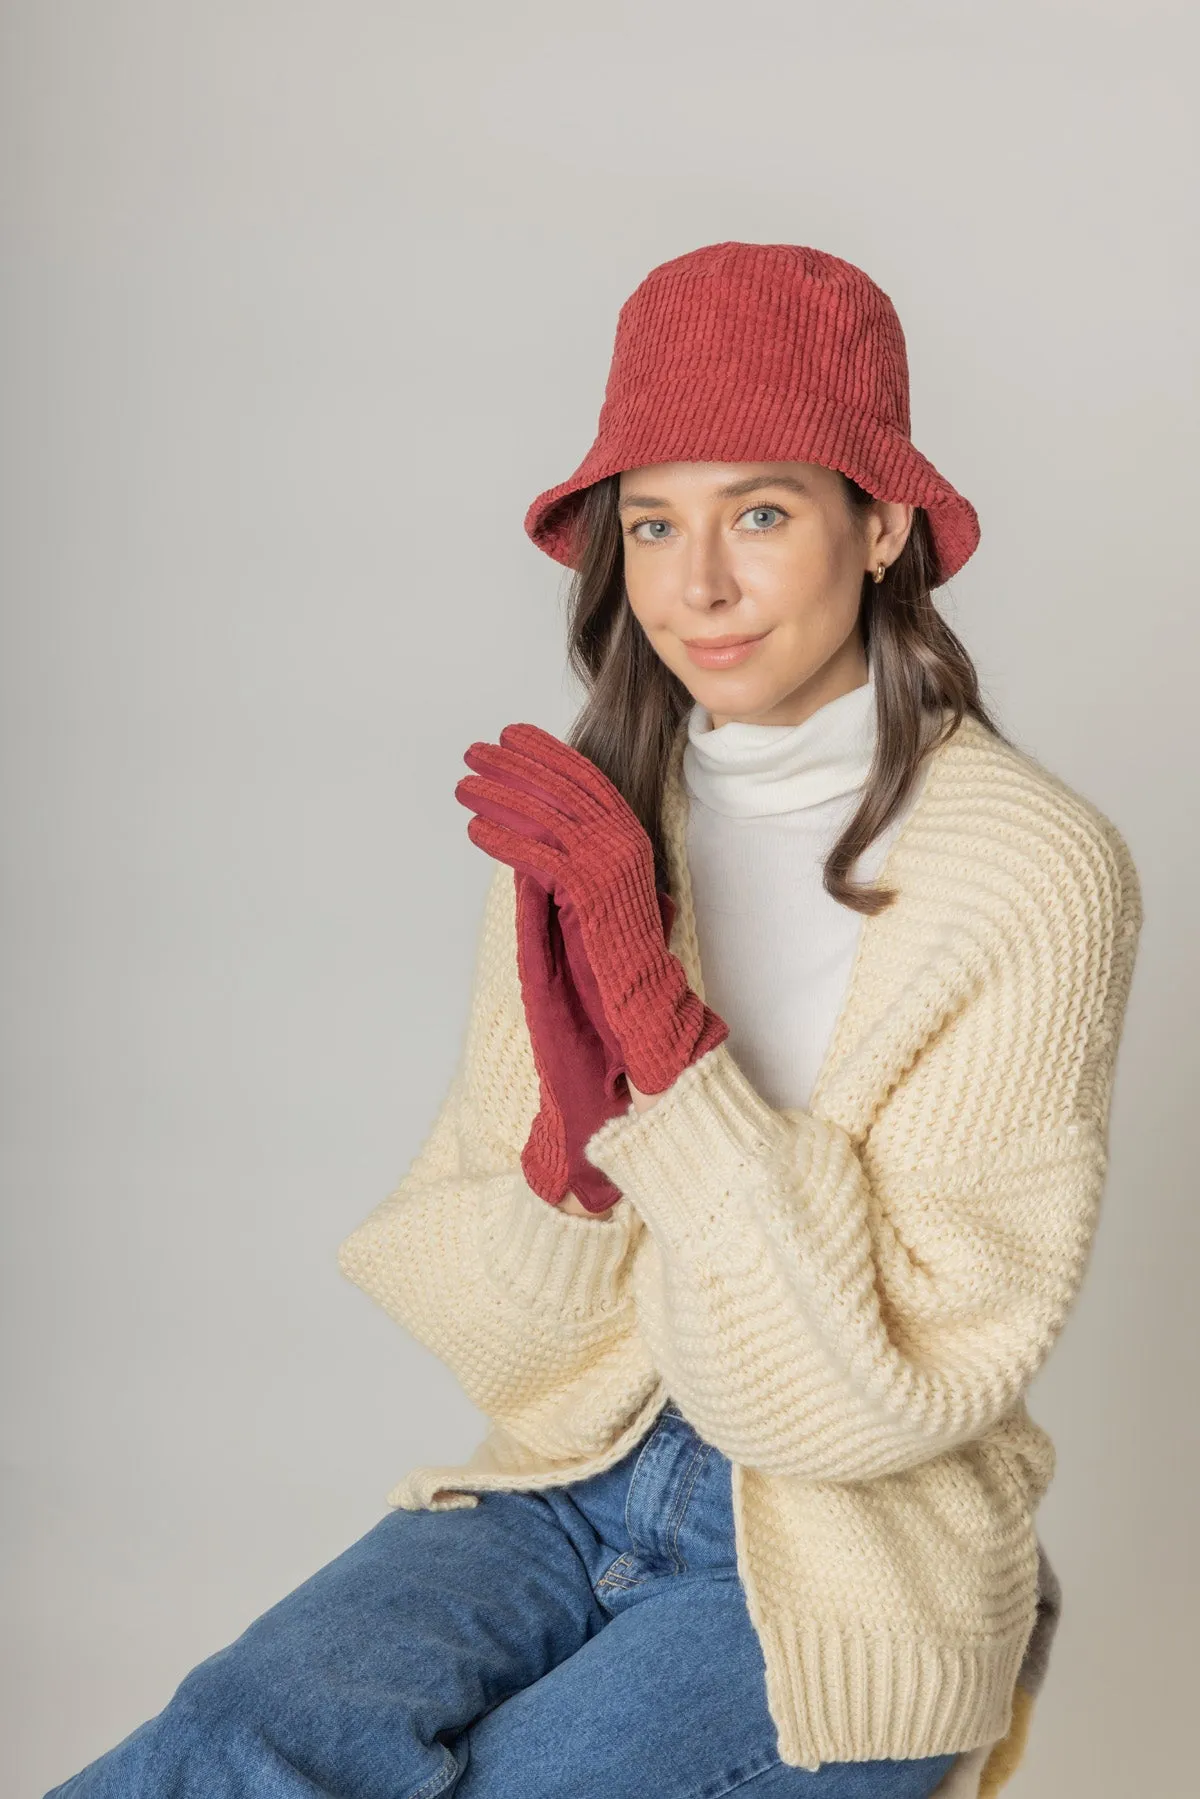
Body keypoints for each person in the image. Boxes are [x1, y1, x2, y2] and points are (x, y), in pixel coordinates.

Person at [45, 241, 1141, 1799]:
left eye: (760, 512)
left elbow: (881, 1393)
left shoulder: (1034, 870)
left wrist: (670, 1046)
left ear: (882, 521)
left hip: (855, 1537)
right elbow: (513, 1352)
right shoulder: (608, 819)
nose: (696, 584)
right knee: (234, 1736)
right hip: (573, 1476)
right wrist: (576, 1160)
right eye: (652, 523)